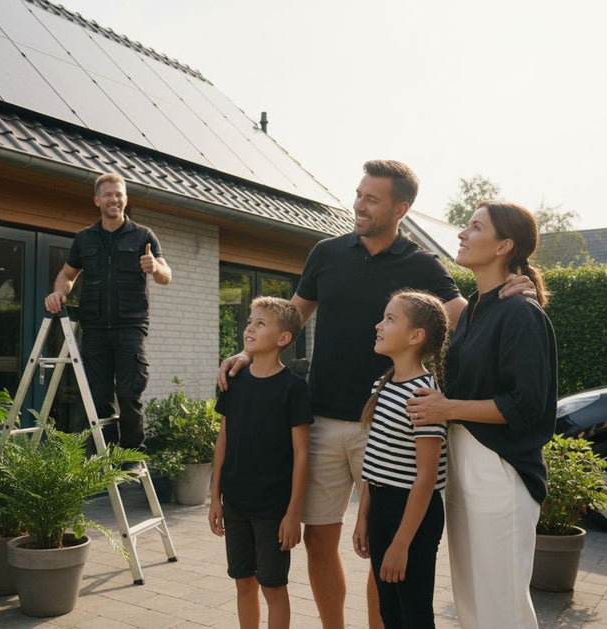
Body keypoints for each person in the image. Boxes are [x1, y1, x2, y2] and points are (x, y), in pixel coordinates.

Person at [219, 160, 533, 629]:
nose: (358, 205)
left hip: (386, 423)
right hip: (321, 418)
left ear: (400, 208)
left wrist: (514, 288)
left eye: (372, 199)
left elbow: (466, 319)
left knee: (381, 547)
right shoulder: (326, 252)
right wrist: (248, 353)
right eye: (359, 194)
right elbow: (291, 318)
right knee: (321, 541)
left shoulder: (422, 264)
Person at [407, 200, 557, 629]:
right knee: (471, 602)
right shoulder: (474, 309)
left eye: (475, 227)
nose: (462, 234)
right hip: (463, 463)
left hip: (501, 469)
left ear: (503, 245)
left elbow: (527, 404)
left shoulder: (520, 312)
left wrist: (447, 408)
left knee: (501, 607)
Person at [44, 173, 172, 451]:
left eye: (119, 194)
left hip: (131, 328)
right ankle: (106, 458)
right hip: (95, 329)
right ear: (97, 200)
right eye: (109, 194)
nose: (114, 199)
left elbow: (166, 276)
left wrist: (155, 267)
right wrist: (59, 292)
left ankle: (132, 457)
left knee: (129, 395)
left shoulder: (143, 236)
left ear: (125, 199)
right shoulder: (84, 239)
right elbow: (67, 275)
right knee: (98, 399)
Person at [209, 297, 312, 629]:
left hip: (273, 509)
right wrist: (215, 498)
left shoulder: (294, 389)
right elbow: (222, 440)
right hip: (235, 503)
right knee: (242, 581)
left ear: (283, 339)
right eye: (250, 321)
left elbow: (302, 454)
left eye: (261, 323)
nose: (250, 327)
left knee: (272, 585)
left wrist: (293, 513)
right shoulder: (233, 381)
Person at [353, 290, 450, 628]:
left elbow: (425, 478)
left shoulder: (424, 396)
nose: (378, 325)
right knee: (389, 612)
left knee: (414, 614)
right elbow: (375, 460)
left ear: (415, 336)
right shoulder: (383, 384)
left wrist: (401, 543)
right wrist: (364, 517)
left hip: (413, 517)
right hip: (381, 507)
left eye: (390, 319)